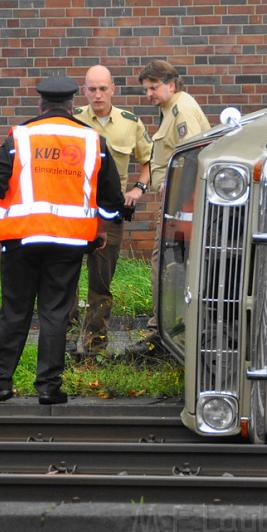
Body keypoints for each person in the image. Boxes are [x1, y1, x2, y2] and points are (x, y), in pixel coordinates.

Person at [0, 76, 124, 405]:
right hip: (68, 243)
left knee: (14, 312)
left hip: (21, 241)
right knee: (55, 314)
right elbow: (110, 199)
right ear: (73, 105)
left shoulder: (21, 135)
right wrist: (101, 229)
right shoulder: (92, 140)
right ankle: (48, 387)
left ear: (41, 105)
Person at [122, 59, 210, 358]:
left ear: (171, 84)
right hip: (178, 199)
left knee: (168, 263)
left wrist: (180, 207)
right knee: (173, 263)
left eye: (154, 88)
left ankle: (163, 331)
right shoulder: (172, 108)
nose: (149, 94)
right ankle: (168, 327)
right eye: (146, 89)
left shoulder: (180, 109)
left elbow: (193, 156)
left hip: (182, 201)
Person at [72, 65, 152, 356]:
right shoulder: (73, 120)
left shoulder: (130, 123)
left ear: (113, 89)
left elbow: (149, 163)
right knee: (65, 279)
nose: (97, 95)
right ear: (84, 91)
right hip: (73, 211)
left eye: (102, 88)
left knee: (101, 283)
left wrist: (137, 189)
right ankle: (66, 344)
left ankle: (95, 348)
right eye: (91, 89)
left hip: (108, 213)